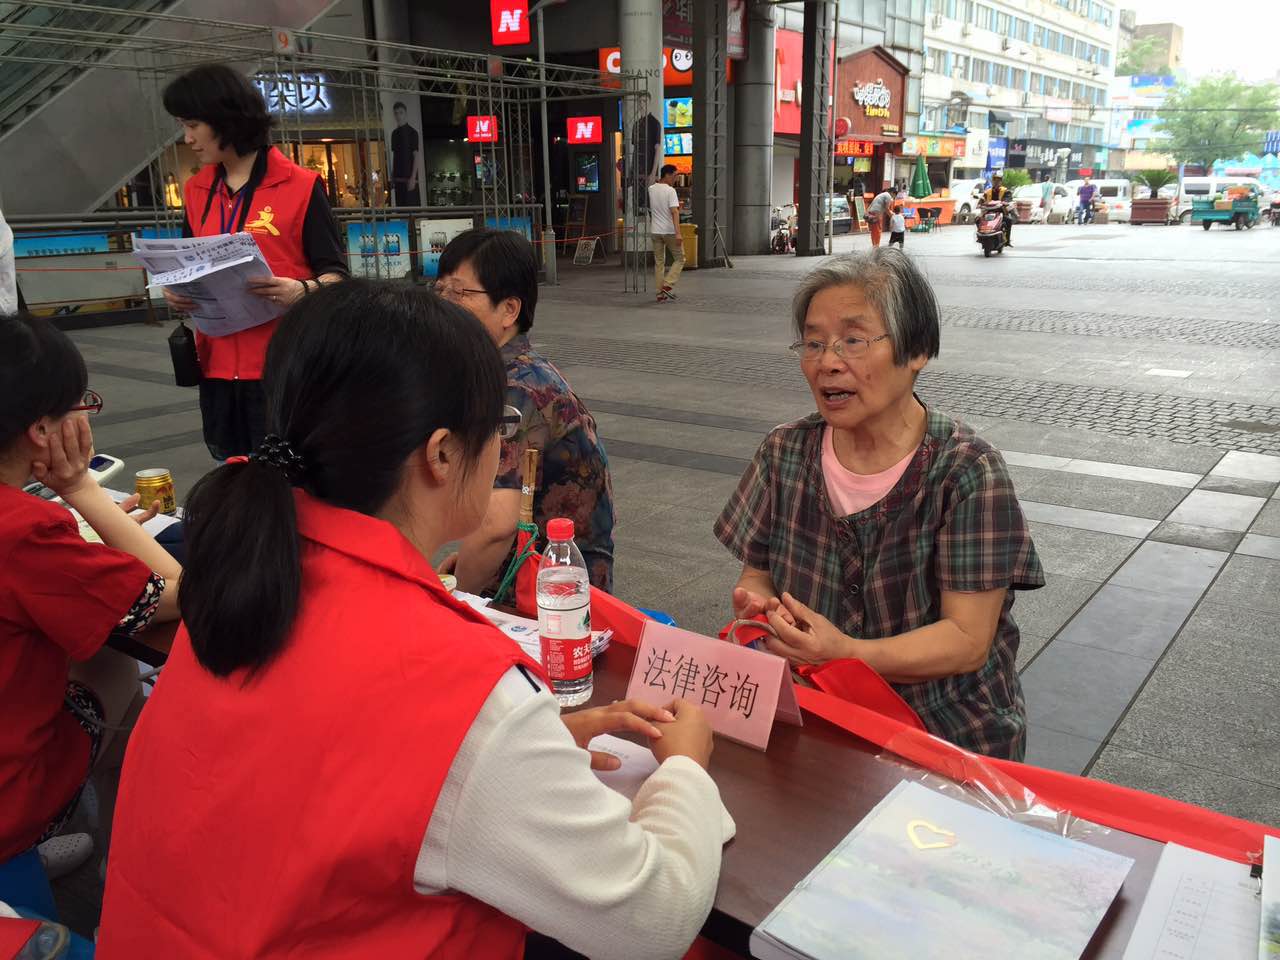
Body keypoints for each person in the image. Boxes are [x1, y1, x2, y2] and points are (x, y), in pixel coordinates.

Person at [97, 281, 731, 959]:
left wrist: (530, 750)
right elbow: (652, 919)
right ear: (443, 454)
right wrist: (685, 768)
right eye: (498, 428)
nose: (502, 447)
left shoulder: (250, 577)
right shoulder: (457, 684)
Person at [714, 250, 1044, 760]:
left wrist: (846, 653)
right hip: (819, 716)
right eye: (814, 342)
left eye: (853, 340)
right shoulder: (784, 452)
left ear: (917, 351)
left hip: (945, 733)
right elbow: (756, 575)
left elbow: (967, 639)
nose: (827, 362)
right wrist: (759, 607)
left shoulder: (965, 470)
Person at [0, 314, 182, 878]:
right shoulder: (25, 532)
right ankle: (125, 860)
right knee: (113, 663)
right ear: (42, 430)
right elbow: (179, 594)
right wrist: (81, 488)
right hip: (9, 796)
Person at [160, 64, 348, 461]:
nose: (187, 138)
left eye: (193, 125)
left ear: (226, 119)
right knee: (232, 472)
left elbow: (338, 277)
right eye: (183, 126)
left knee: (289, 477)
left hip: (283, 368)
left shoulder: (300, 186)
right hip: (217, 366)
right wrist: (177, 290)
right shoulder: (196, 191)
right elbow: (187, 264)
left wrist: (302, 290)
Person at [435, 229, 615, 593]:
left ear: (509, 309)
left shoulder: (517, 389)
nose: (443, 304)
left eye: (459, 292)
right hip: (530, 574)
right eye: (439, 290)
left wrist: (456, 597)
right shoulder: (510, 372)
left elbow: (495, 527)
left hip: (554, 593)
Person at [648, 163, 684, 302]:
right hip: (669, 231)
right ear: (667, 175)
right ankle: (668, 284)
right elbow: (674, 212)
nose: (676, 179)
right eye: (674, 176)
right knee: (680, 258)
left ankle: (659, 294)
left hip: (655, 231)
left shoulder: (651, 189)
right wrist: (678, 233)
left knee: (659, 263)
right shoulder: (670, 191)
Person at [390, 100, 421, 207]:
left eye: (401, 112)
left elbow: (416, 156)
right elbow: (395, 156)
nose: (398, 116)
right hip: (398, 180)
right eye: (396, 113)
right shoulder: (394, 134)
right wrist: (392, 176)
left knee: (412, 209)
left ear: (405, 113)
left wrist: (413, 177)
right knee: (401, 209)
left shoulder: (413, 133)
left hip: (409, 179)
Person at [982, 172, 1014, 247]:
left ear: (1001, 181)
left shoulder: (1006, 191)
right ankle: (981, 236)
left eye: (998, 180)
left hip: (1000, 212)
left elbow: (1008, 198)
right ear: (992, 181)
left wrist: (1005, 202)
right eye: (995, 180)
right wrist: (980, 202)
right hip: (988, 212)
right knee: (977, 219)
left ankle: (1007, 240)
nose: (996, 182)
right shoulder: (988, 191)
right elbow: (982, 199)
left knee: (1008, 220)